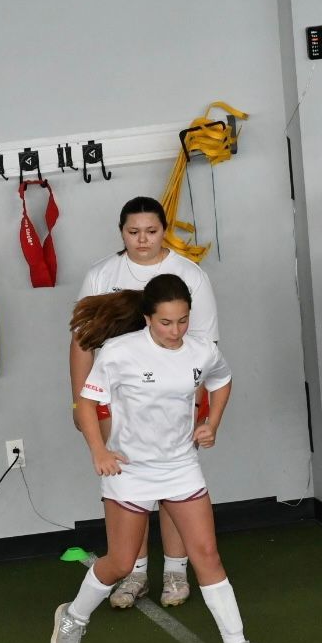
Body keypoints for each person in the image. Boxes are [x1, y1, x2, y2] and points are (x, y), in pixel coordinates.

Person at [52, 274, 274, 643]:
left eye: (183, 321)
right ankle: (74, 617)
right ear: (147, 318)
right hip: (129, 469)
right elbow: (86, 404)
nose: (175, 331)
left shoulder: (202, 351)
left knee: (207, 555)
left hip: (180, 465)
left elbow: (222, 380)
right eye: (166, 323)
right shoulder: (120, 353)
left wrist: (212, 423)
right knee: (120, 563)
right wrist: (99, 452)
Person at [71, 196, 220, 607]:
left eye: (151, 231)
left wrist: (201, 410)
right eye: (133, 232)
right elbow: (83, 342)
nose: (142, 240)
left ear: (164, 230)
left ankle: (175, 571)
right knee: (123, 479)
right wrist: (77, 400)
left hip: (176, 398)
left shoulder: (190, 275)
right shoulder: (103, 274)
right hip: (115, 400)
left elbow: (206, 348)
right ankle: (132, 574)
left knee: (175, 483)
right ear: (121, 232)